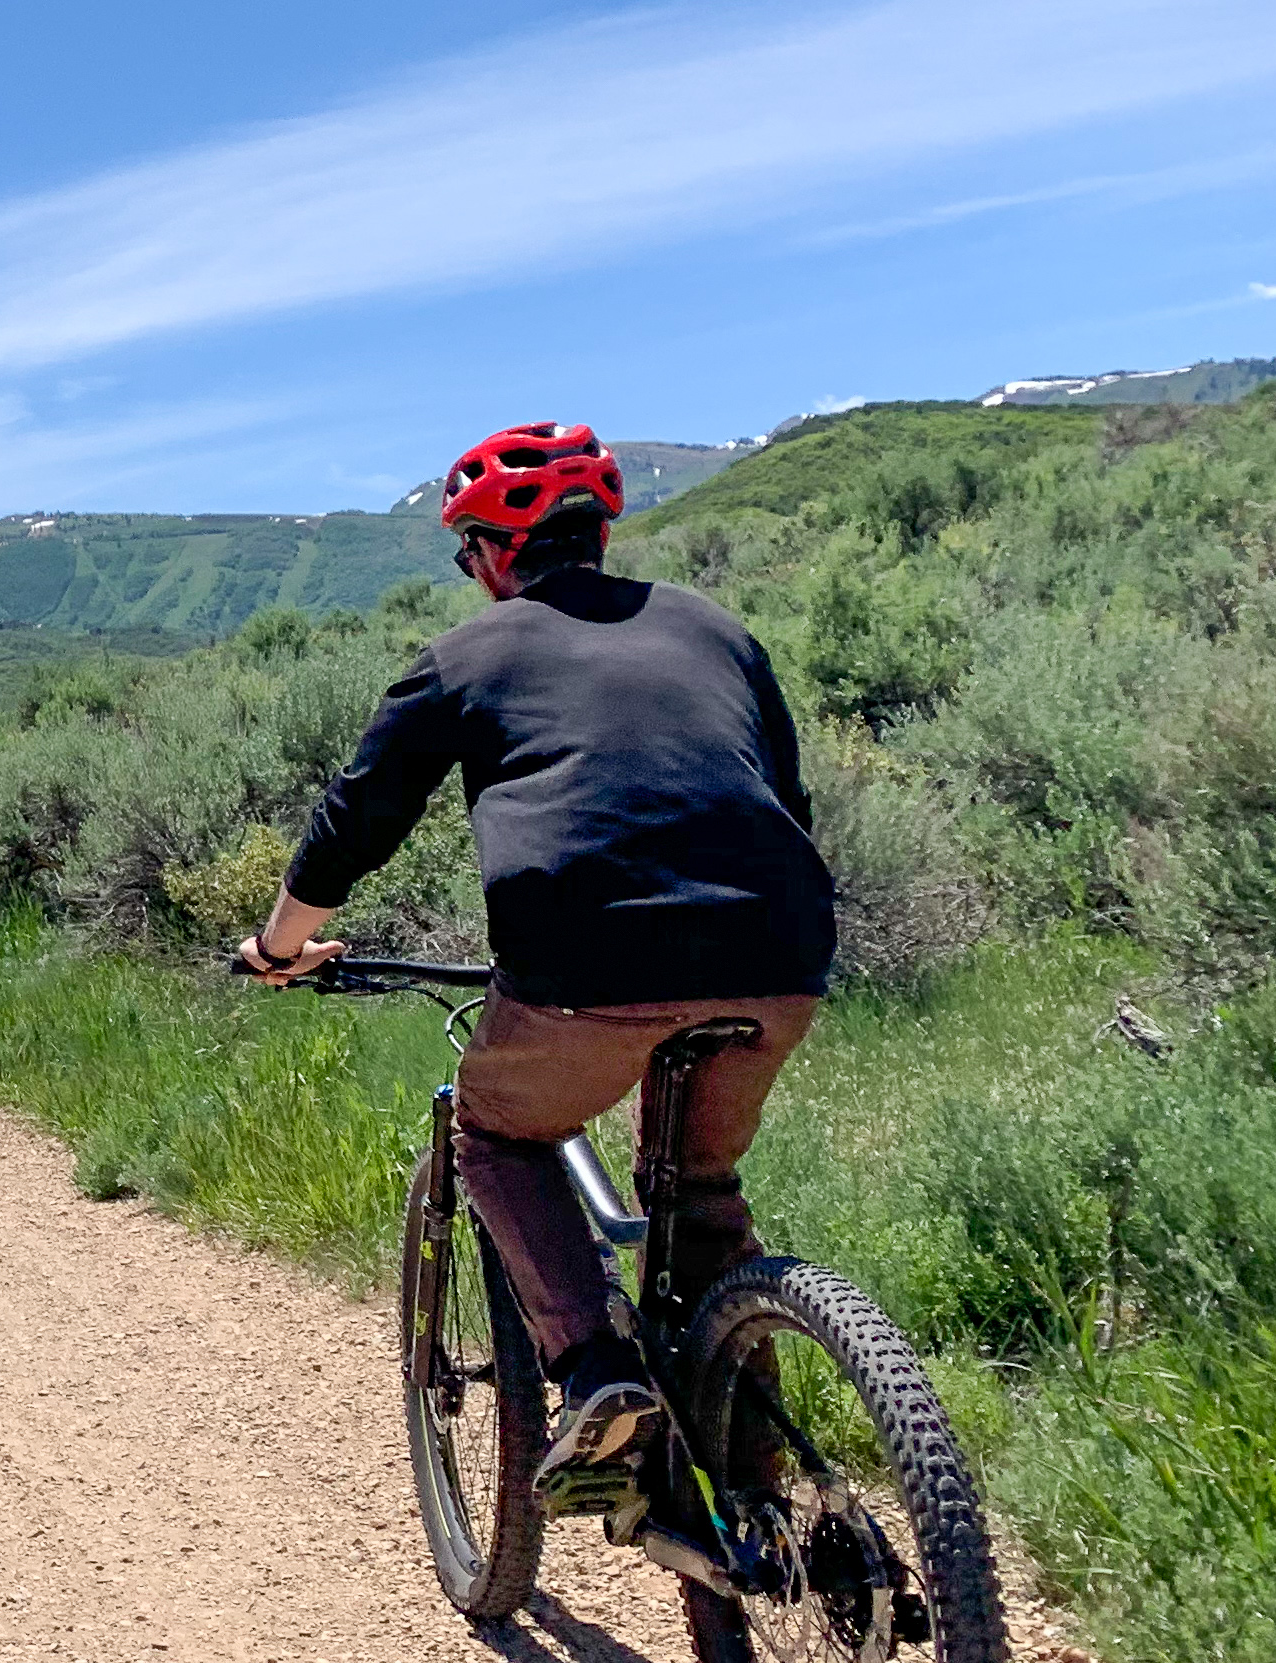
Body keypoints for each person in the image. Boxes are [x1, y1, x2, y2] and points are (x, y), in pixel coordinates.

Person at [237, 423, 836, 1502]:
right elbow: (786, 803)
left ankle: (595, 1373)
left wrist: (280, 947)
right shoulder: (715, 628)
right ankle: (765, 1500)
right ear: (599, 532)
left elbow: (355, 821)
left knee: (496, 1133)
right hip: (779, 951)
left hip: (586, 968)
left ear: (496, 554)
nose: (473, 578)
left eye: (468, 556)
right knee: (699, 1193)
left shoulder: (467, 657)